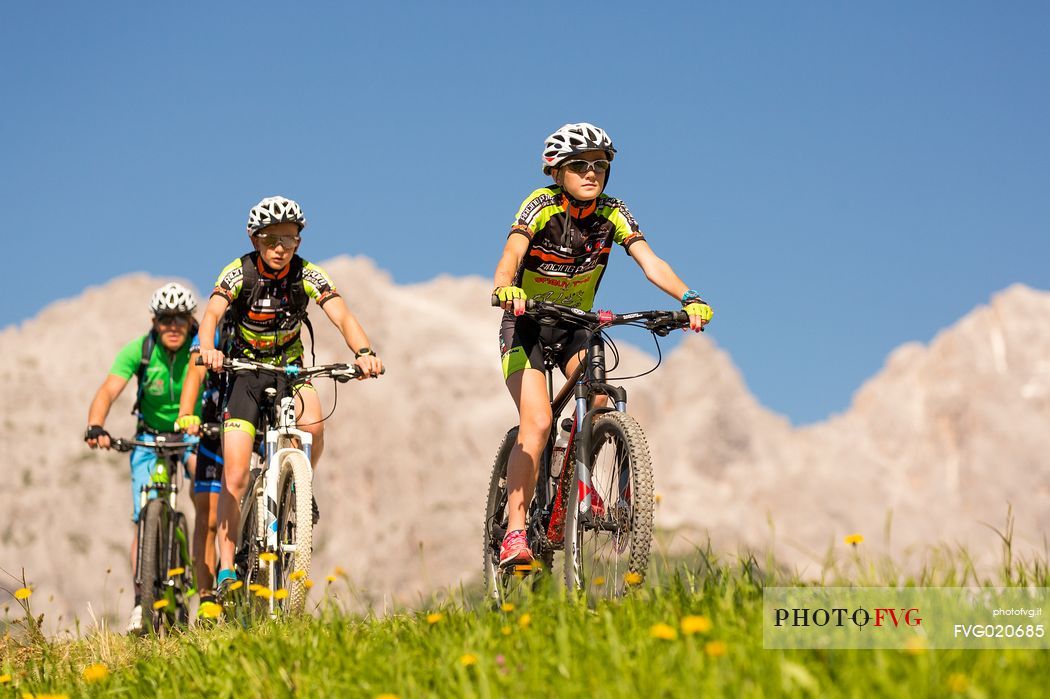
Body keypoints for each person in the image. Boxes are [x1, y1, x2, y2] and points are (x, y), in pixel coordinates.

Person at [491, 123, 713, 566]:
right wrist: (504, 287)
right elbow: (512, 253)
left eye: (600, 165)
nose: (591, 173)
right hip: (527, 324)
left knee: (598, 394)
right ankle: (515, 532)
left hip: (576, 325)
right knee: (535, 423)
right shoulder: (540, 205)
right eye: (579, 165)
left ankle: (580, 461)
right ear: (557, 172)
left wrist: (687, 298)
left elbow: (650, 261)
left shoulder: (614, 212)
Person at [196, 195, 383, 596]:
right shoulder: (238, 272)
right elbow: (211, 313)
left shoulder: (308, 274)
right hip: (244, 372)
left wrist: (364, 352)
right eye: (272, 239)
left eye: (290, 239)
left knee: (313, 423)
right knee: (235, 474)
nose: (281, 247)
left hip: (290, 369)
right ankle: (227, 570)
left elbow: (341, 313)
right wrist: (208, 348)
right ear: (255, 240)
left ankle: (300, 488)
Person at [84, 282, 201, 632]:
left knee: (204, 490)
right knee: (144, 510)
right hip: (149, 436)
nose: (173, 326)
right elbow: (109, 388)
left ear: (191, 320)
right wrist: (96, 425)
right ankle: (140, 600)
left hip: (193, 434)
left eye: (181, 318)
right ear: (154, 321)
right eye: (166, 319)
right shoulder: (139, 350)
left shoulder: (200, 347)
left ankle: (207, 574)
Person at [175, 329, 227, 616]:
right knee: (207, 515)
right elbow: (195, 372)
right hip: (215, 422)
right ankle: (207, 600)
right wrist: (185, 413)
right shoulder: (217, 324)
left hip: (260, 417)